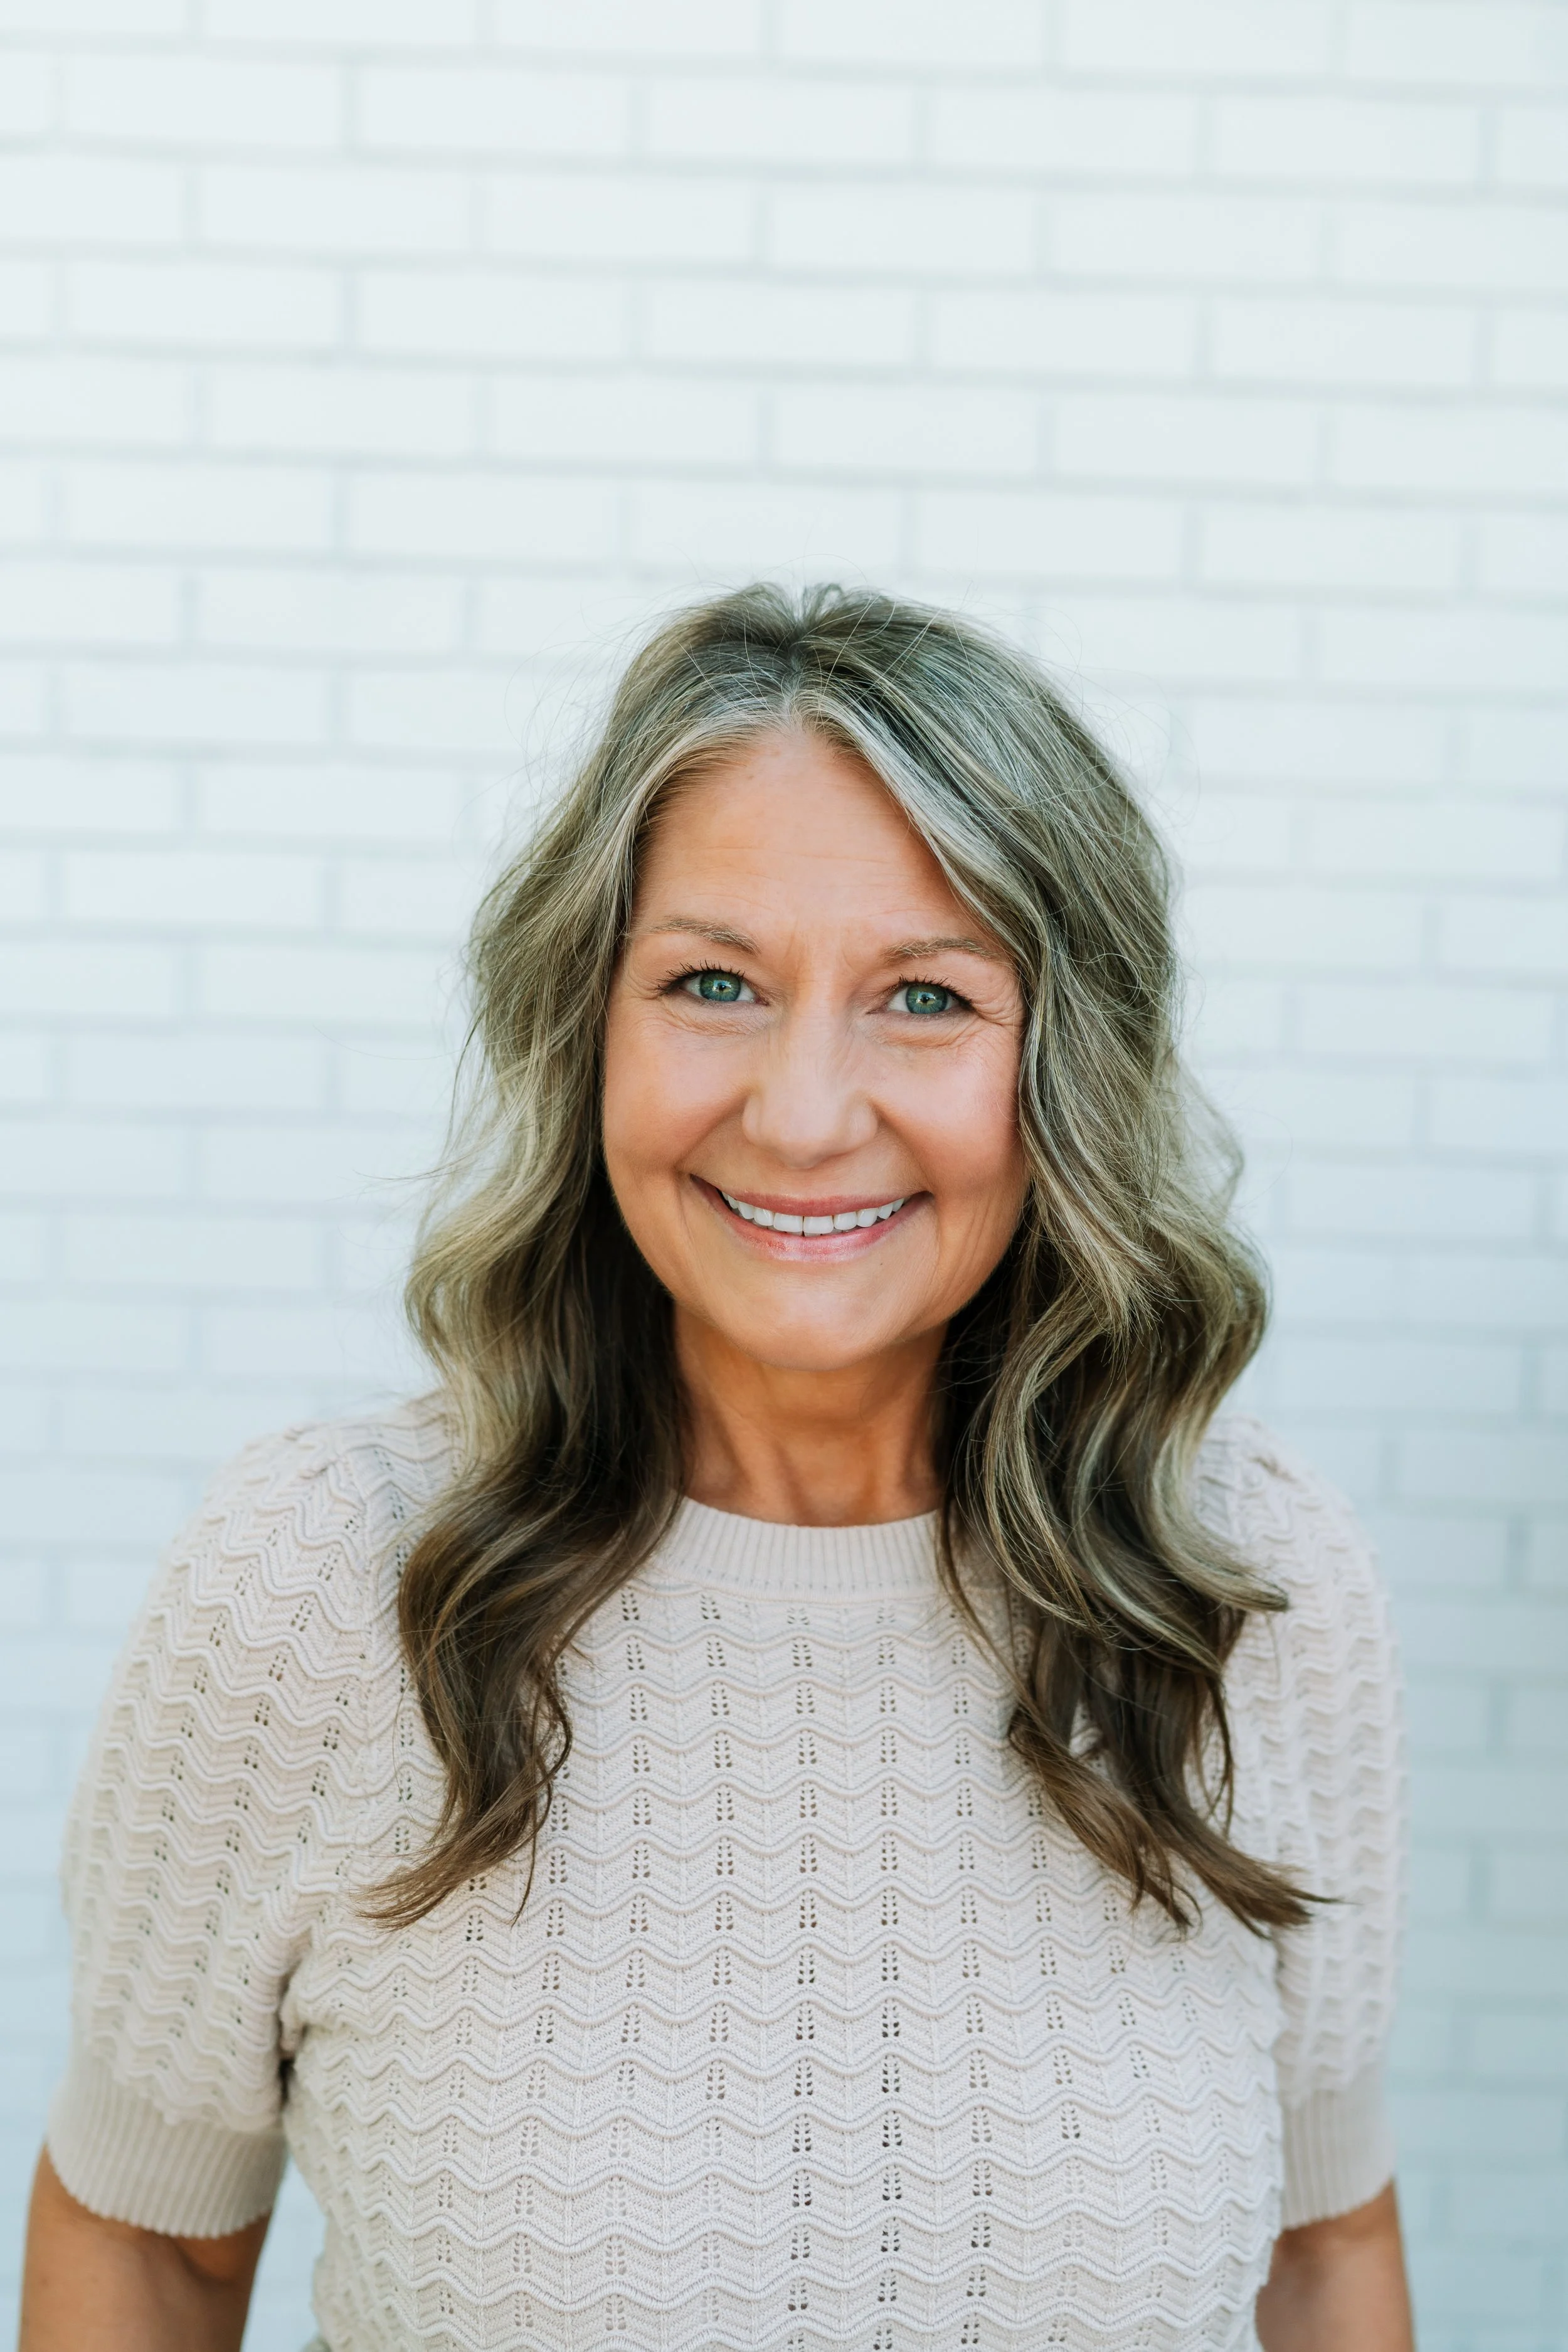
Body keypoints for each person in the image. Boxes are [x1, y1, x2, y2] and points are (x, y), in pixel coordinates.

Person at [21, 585, 1412, 2351]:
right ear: (586, 1021)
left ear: (1063, 1064)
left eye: (923, 993)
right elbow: (149, 2244)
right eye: (712, 983)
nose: (803, 1108)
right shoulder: (328, 1579)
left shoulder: (1242, 1584)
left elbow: (1319, 2244)